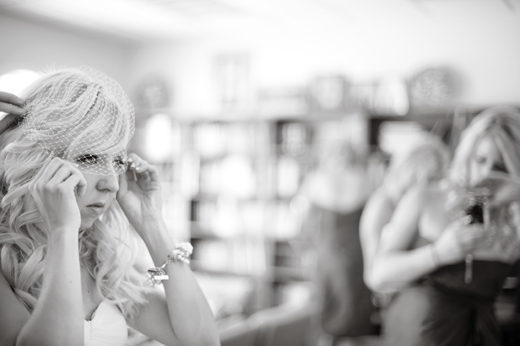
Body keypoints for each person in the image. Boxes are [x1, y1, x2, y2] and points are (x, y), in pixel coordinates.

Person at [0, 68, 220, 346]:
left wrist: (151, 222)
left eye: (117, 162)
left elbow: (202, 341)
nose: (112, 184)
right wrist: (61, 231)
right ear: (39, 160)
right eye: (90, 157)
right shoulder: (6, 264)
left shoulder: (98, 261)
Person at [368, 106, 520, 346]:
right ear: (467, 153)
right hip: (417, 335)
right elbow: (378, 275)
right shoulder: (425, 198)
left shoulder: (513, 221)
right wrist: (438, 253)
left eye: (500, 167)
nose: (485, 173)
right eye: (480, 159)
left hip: (480, 335)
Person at [298, 141, 375, 339]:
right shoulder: (365, 180)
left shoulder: (316, 180)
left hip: (327, 251)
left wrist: (308, 247)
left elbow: (302, 222)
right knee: (353, 303)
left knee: (328, 304)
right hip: (357, 252)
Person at [360, 135, 450, 301]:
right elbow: (373, 277)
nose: (434, 188)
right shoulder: (382, 205)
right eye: (430, 179)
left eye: (439, 180)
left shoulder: (422, 207)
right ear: (412, 172)